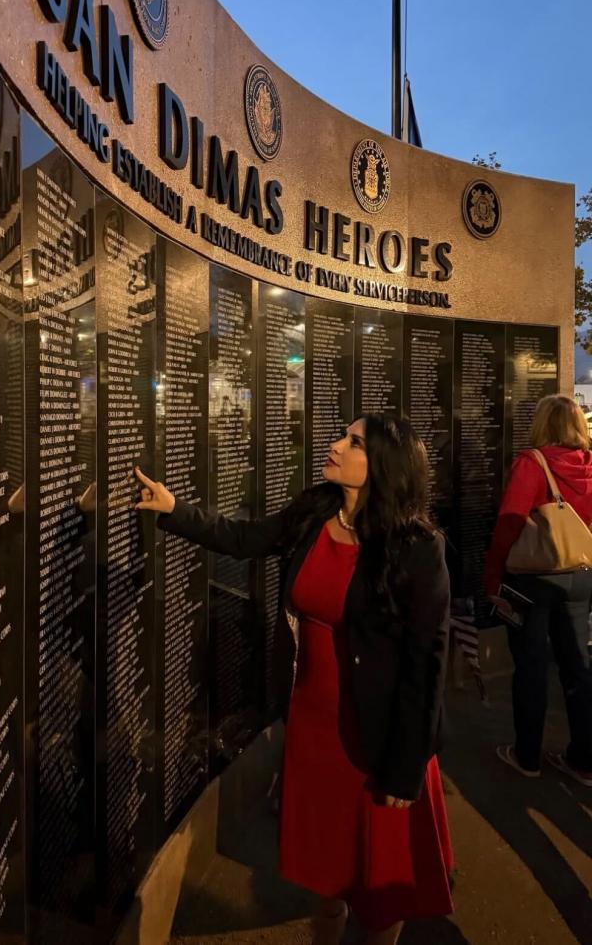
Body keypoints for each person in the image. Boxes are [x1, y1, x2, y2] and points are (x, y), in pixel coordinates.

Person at [135, 415, 454, 945]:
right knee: (325, 869)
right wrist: (174, 510)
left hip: (378, 738)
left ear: (383, 467)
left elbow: (427, 663)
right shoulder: (315, 512)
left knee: (379, 884)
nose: (334, 445)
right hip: (313, 726)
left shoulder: (417, 548)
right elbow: (243, 538)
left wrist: (406, 767)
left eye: (352, 442)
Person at [484, 394, 592, 787]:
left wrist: (492, 575)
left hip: (534, 579)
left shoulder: (532, 464)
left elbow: (509, 523)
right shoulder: (589, 464)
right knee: (577, 665)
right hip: (581, 575)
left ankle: (527, 756)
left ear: (542, 423)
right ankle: (583, 760)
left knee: (530, 667)